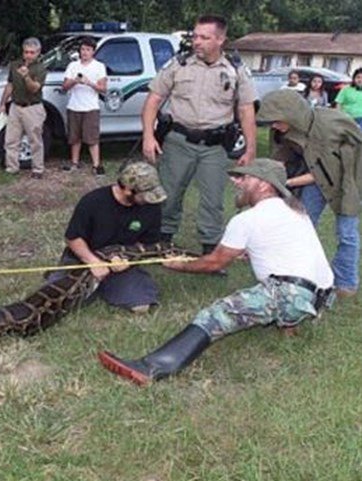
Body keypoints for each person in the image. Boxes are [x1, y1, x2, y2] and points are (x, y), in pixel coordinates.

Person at [99, 158, 334, 386]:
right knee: (279, 295)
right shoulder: (295, 210)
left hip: (289, 294)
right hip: (321, 295)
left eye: (244, 178)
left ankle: (152, 368)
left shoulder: (247, 219)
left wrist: (178, 265)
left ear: (264, 184)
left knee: (215, 315)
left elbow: (214, 264)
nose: (236, 181)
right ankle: (289, 331)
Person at [141, 14, 257, 258]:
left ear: (220, 40)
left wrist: (250, 148)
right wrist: (148, 136)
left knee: (213, 199)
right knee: (168, 194)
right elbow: (153, 99)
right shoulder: (178, 65)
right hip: (178, 141)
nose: (197, 41)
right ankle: (162, 241)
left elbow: (246, 109)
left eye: (204, 37)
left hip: (215, 146)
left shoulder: (236, 70)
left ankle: (210, 249)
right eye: (195, 36)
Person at [257, 89, 362, 298]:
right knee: (302, 224)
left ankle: (345, 282)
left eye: (276, 121)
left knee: (346, 233)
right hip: (319, 175)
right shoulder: (290, 130)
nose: (274, 126)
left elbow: (322, 172)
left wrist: (284, 182)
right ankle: (301, 273)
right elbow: (280, 159)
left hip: (349, 178)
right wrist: (265, 176)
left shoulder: (327, 128)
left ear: (290, 114)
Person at [48, 162, 167, 313]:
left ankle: (107, 287)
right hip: (83, 260)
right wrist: (93, 262)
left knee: (141, 305)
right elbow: (73, 238)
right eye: (144, 195)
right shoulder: (93, 201)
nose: (148, 200)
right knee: (58, 303)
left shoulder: (151, 207)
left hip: (120, 263)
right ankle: (75, 280)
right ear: (128, 190)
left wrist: (128, 261)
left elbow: (147, 243)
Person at [0, 38, 47, 178]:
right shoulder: (15, 65)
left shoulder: (40, 68)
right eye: (26, 52)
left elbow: (34, 89)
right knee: (11, 139)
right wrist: (2, 103)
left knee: (35, 140)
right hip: (15, 105)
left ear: (38, 53)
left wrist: (26, 76)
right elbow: (10, 85)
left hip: (33, 108)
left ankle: (38, 169)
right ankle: (12, 167)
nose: (28, 55)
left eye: (32, 52)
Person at [61, 36, 108, 174]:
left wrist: (89, 83)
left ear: (93, 51)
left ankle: (96, 165)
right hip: (74, 106)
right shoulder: (73, 66)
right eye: (82, 49)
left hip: (91, 108)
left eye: (88, 50)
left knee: (92, 138)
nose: (85, 52)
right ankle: (74, 163)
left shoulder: (99, 66)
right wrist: (75, 81)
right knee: (74, 138)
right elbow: (64, 86)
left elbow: (103, 88)